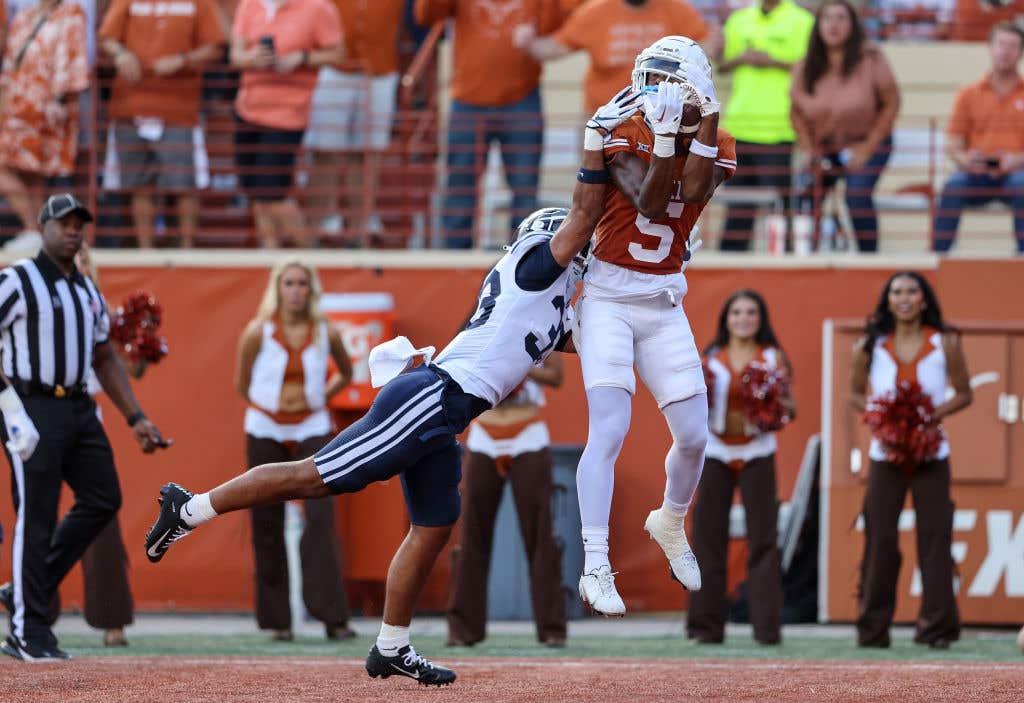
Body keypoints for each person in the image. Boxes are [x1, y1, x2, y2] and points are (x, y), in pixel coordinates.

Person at [143, 89, 640, 686]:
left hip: (444, 415)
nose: (582, 256)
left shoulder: (552, 301)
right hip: (430, 399)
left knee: (433, 525)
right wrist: (600, 144)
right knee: (312, 477)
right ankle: (189, 508)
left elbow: (592, 339)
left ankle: (391, 646)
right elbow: (584, 218)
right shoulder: (535, 267)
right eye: (575, 249)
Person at [573, 36, 735, 616]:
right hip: (610, 298)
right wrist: (665, 137)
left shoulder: (719, 138)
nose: (663, 97)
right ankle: (596, 562)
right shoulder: (624, 126)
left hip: (664, 301)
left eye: (678, 87)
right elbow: (647, 201)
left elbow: (693, 191)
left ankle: (670, 519)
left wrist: (705, 121)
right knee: (610, 429)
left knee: (695, 434)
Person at [0, 193, 167, 662]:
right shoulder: (17, 280)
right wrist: (8, 406)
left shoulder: (86, 291)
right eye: (64, 223)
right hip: (32, 403)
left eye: (80, 224)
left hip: (77, 406)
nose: (73, 231)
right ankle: (27, 631)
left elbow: (102, 355)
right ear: (43, 227)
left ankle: (25, 591)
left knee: (103, 498)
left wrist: (135, 417)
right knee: (37, 514)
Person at [850, 271, 972, 649]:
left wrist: (931, 415)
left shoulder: (945, 342)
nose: (904, 297)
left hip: (931, 453)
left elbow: (965, 393)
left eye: (912, 291)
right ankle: (873, 630)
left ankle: (937, 629)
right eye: (896, 291)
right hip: (885, 456)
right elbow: (855, 394)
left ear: (924, 298)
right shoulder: (870, 345)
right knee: (881, 539)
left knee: (936, 538)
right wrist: (880, 418)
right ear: (888, 300)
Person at [235, 258, 356, 641]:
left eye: (303, 283)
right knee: (265, 520)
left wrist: (319, 398)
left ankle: (333, 617)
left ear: (312, 289)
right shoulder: (257, 331)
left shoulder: (326, 331)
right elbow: (242, 383)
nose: (296, 290)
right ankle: (278, 622)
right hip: (265, 426)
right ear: (277, 288)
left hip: (312, 425)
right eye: (288, 283)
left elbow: (347, 374)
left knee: (321, 519)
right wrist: (269, 406)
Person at [414, 0, 570, 248]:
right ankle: (455, 257)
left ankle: (521, 257)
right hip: (469, 101)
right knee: (460, 187)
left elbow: (572, 18)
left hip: (521, 97)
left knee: (524, 189)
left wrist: (539, 43)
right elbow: (425, 14)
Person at [686, 289, 793, 645]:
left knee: (763, 539)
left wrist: (775, 406)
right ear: (726, 319)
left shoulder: (773, 357)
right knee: (707, 537)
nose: (744, 318)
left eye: (751, 312)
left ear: (760, 319)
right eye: (736, 312)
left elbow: (790, 408)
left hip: (757, 452)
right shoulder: (710, 357)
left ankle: (766, 629)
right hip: (715, 451)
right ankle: (705, 628)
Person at [446, 355, 566, 648]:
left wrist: (520, 367)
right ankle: (463, 629)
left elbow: (556, 376)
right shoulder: (479, 326)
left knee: (540, 534)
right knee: (472, 531)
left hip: (528, 433)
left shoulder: (539, 327)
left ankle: (552, 629)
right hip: (484, 434)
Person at [98, 0, 225, 248]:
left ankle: (187, 250)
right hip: (130, 104)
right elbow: (106, 38)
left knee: (184, 186)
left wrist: (182, 59)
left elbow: (215, 47)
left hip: (180, 107)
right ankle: (146, 250)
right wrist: (121, 53)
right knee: (139, 185)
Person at [230, 0, 344, 247]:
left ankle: (309, 258)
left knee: (274, 194)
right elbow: (235, 55)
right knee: (257, 194)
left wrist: (300, 58)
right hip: (248, 110)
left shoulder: (318, 8)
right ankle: (269, 254)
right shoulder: (249, 5)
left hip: (287, 115)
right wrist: (253, 58)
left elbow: (338, 53)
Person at [790, 0, 900, 253]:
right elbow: (796, 111)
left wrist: (867, 148)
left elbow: (891, 103)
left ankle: (868, 257)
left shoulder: (871, 58)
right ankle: (806, 255)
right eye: (827, 19)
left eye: (841, 18)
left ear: (853, 25)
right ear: (818, 26)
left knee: (857, 195)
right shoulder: (805, 66)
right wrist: (807, 149)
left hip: (869, 142)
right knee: (804, 195)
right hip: (825, 147)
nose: (834, 25)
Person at [716, 0, 813, 251]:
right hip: (739, 125)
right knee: (738, 205)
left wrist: (773, 61)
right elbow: (722, 65)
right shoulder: (739, 20)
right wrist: (743, 58)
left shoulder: (803, 21)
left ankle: (787, 258)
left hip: (778, 127)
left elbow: (812, 68)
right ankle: (731, 260)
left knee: (780, 206)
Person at [304, 0, 405, 241]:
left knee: (368, 154)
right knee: (324, 151)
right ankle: (315, 225)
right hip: (334, 68)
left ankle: (360, 226)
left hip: (380, 70)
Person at [515, 0, 709, 115]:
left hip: (661, 117)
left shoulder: (676, 10)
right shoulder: (596, 12)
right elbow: (556, 47)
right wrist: (529, 43)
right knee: (596, 182)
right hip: (604, 116)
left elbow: (705, 44)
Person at [0, 0, 89, 242]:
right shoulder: (23, 17)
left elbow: (73, 57)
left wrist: (61, 101)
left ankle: (32, 229)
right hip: (16, 107)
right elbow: (9, 66)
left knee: (32, 172)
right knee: (24, 172)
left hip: (47, 108)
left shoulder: (71, 13)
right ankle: (35, 231)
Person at [933, 23, 1024, 254]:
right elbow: (953, 143)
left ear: (1021, 52)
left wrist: (1017, 160)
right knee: (953, 187)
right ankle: (938, 256)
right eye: (1001, 44)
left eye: (1013, 46)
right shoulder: (968, 94)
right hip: (975, 174)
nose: (1006, 51)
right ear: (990, 48)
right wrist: (966, 159)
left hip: (1016, 173)